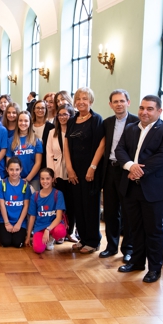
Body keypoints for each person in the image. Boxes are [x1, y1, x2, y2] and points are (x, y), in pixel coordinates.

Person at [115, 95, 163, 283]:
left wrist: (138, 170)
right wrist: (129, 166)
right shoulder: (130, 128)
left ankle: (154, 269)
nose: (144, 112)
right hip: (131, 187)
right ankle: (136, 262)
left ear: (159, 111)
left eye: (150, 109)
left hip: (154, 189)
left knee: (153, 230)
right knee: (134, 228)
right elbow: (120, 150)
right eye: (142, 108)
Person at [99, 89, 139, 262]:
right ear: (110, 105)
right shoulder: (107, 123)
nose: (119, 104)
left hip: (127, 171)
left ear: (128, 102)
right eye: (115, 101)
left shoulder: (137, 122)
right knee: (110, 210)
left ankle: (128, 249)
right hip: (110, 169)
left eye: (122, 101)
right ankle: (111, 246)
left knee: (128, 211)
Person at [64, 87, 105, 254]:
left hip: (90, 170)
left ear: (91, 101)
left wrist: (92, 167)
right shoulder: (72, 120)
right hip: (75, 169)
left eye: (85, 99)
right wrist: (69, 168)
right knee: (78, 205)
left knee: (90, 206)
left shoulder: (96, 119)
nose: (81, 101)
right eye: (78, 98)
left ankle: (93, 240)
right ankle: (83, 238)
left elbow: (102, 144)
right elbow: (67, 144)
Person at [46, 104, 78, 243]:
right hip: (57, 172)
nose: (63, 117)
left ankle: (70, 231)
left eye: (66, 114)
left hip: (73, 173)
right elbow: (49, 153)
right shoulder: (52, 133)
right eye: (60, 115)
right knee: (58, 204)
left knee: (72, 203)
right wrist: (51, 175)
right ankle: (59, 231)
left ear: (71, 115)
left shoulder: (75, 132)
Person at [26, 168, 67, 253]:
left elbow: (58, 218)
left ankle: (51, 238)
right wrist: (28, 236)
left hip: (53, 226)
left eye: (47, 178)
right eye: (42, 179)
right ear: (39, 180)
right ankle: (44, 239)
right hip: (40, 227)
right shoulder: (35, 196)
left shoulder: (58, 194)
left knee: (60, 231)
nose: (45, 181)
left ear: (52, 179)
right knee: (38, 249)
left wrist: (48, 230)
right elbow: (32, 217)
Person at [0, 157, 31, 248]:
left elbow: (26, 206)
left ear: (21, 170)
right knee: (6, 243)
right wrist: (7, 223)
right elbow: (2, 205)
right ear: (7, 169)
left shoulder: (25, 185)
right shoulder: (2, 183)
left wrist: (19, 223)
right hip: (5, 220)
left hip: (20, 221)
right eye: (11, 169)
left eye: (17, 170)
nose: (14, 172)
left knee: (17, 244)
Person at [7, 111, 42, 191]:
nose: (23, 123)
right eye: (20, 120)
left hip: (33, 179)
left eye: (26, 121)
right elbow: (8, 161)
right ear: (17, 122)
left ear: (30, 122)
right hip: (15, 178)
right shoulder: (10, 140)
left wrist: (27, 179)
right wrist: (15, 175)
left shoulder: (36, 140)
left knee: (34, 202)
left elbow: (38, 163)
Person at [31, 99, 55, 169]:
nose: (40, 110)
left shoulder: (51, 127)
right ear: (34, 110)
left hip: (45, 161)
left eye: (42, 108)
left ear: (46, 110)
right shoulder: (29, 126)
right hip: (31, 160)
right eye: (38, 108)